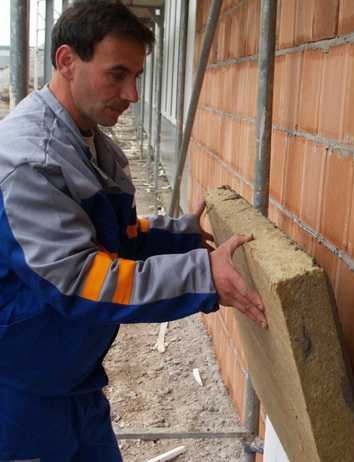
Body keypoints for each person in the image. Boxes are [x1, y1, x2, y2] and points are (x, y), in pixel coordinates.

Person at [0, 1, 266, 461]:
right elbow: (79, 280)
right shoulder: (30, 162)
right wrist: (201, 275)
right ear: (66, 61)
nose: (133, 94)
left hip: (67, 376)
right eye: (117, 74)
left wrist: (179, 235)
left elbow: (113, 236)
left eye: (137, 76)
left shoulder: (87, 144)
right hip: (18, 391)